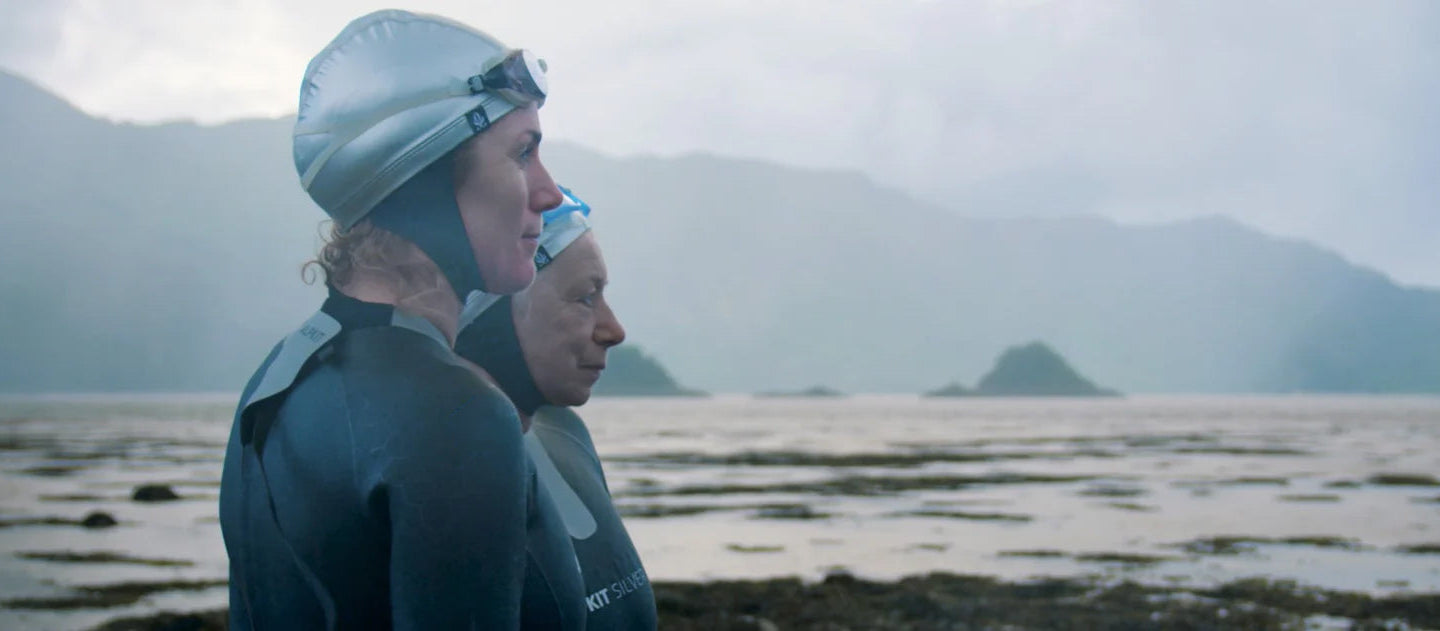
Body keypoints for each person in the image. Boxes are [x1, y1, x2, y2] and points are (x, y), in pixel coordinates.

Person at [219, 10, 587, 629]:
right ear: (427, 178)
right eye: (522, 154)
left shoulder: (278, 378)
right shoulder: (456, 412)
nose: (550, 194)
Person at [456, 190, 657, 629]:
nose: (614, 330)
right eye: (586, 297)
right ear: (491, 311)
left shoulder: (564, 434)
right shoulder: (442, 479)